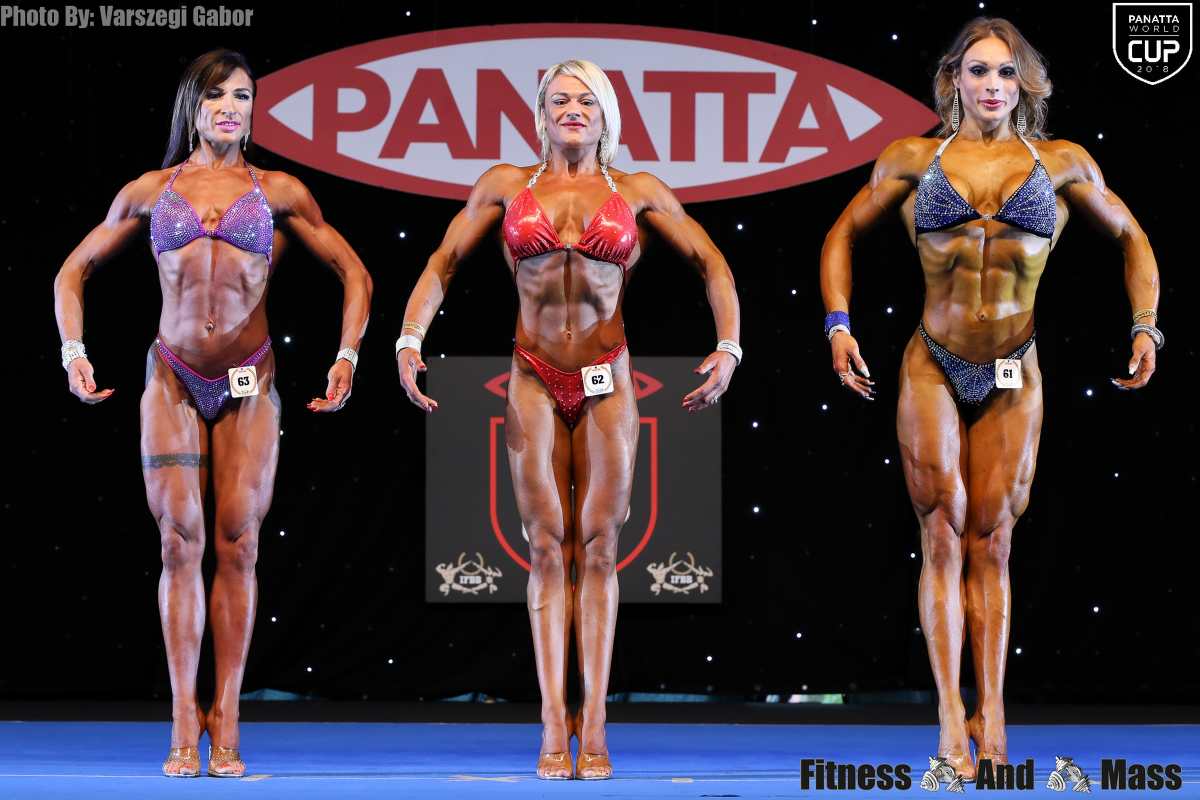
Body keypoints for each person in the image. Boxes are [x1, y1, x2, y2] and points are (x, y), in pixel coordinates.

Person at [819, 17, 1161, 779]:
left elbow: (1132, 237)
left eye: (1006, 73)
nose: (992, 86)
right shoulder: (913, 159)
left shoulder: (1062, 163)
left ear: (1024, 84)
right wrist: (839, 325)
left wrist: (1146, 325)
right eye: (978, 71)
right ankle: (950, 717)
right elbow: (841, 234)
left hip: (1015, 365)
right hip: (933, 364)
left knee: (994, 541)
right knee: (942, 530)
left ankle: (993, 714)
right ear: (953, 81)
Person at [395, 59, 741, 779]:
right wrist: (409, 338)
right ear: (542, 113)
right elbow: (442, 263)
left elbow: (713, 264)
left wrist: (729, 347)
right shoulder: (506, 184)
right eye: (560, 100)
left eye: (586, 100)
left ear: (606, 113)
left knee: (601, 548)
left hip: (609, 377)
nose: (572, 110)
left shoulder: (638, 191)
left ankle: (597, 724)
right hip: (532, 375)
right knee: (547, 547)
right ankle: (555, 722)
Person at [52, 49, 373, 777]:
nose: (231, 108)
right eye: (216, 96)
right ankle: (180, 719)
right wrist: (73, 350)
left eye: (243, 96)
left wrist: (348, 356)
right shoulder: (151, 190)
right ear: (192, 108)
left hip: (249, 380)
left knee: (238, 543)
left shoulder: (280, 191)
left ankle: (225, 718)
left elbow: (354, 272)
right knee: (178, 542)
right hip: (171, 376)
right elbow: (73, 270)